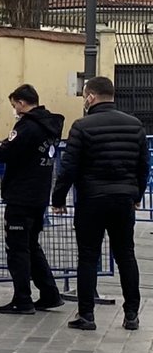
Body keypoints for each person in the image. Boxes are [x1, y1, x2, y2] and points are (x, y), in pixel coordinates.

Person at [52, 76, 147, 331]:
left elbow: (69, 167)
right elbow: (143, 166)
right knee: (126, 255)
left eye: (84, 95)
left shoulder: (82, 126)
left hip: (92, 199)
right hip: (123, 200)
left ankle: (87, 315)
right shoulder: (135, 125)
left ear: (91, 97)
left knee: (88, 257)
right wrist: (137, 195)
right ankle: (131, 315)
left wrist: (58, 199)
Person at [0, 84, 65, 315]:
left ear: (21, 102)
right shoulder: (50, 125)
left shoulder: (27, 127)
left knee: (17, 249)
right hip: (39, 195)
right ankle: (49, 293)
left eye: (14, 105)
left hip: (20, 195)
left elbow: (6, 153)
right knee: (31, 245)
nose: (14, 110)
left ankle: (22, 299)